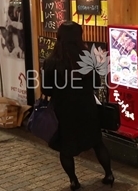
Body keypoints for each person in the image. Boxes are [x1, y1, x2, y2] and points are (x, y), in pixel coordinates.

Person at [41, 21, 114, 190]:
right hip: (87, 109)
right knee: (97, 143)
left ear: (59, 37)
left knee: (66, 149)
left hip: (63, 112)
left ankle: (74, 181)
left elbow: (47, 90)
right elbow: (96, 84)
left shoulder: (51, 61)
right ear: (79, 36)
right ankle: (109, 174)